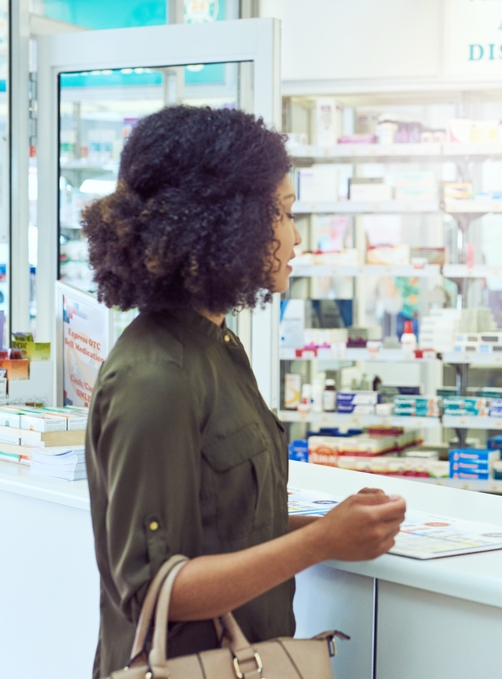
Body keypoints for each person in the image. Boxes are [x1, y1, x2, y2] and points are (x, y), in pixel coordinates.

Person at [82, 106, 407, 678]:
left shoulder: (216, 346)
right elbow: (156, 593)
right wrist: (320, 543)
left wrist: (335, 529)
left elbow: (223, 528)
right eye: (281, 213)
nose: (295, 235)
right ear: (222, 224)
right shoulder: (156, 379)